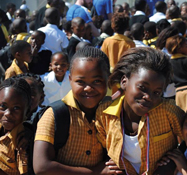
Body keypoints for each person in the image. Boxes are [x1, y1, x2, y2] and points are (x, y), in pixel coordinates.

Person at [33, 46, 124, 174]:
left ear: (108, 80)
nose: (88, 88)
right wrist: (95, 172)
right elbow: (42, 167)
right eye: (80, 81)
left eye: (97, 81)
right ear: (70, 80)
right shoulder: (55, 114)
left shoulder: (113, 112)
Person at [95, 47, 184, 175]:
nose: (148, 96)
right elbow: (103, 149)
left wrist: (172, 162)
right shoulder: (104, 113)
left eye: (156, 92)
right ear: (124, 82)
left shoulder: (168, 111)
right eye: (142, 87)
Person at [0, 78, 32, 175]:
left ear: (27, 111)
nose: (8, 114)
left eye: (16, 108)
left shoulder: (22, 142)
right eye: (3, 106)